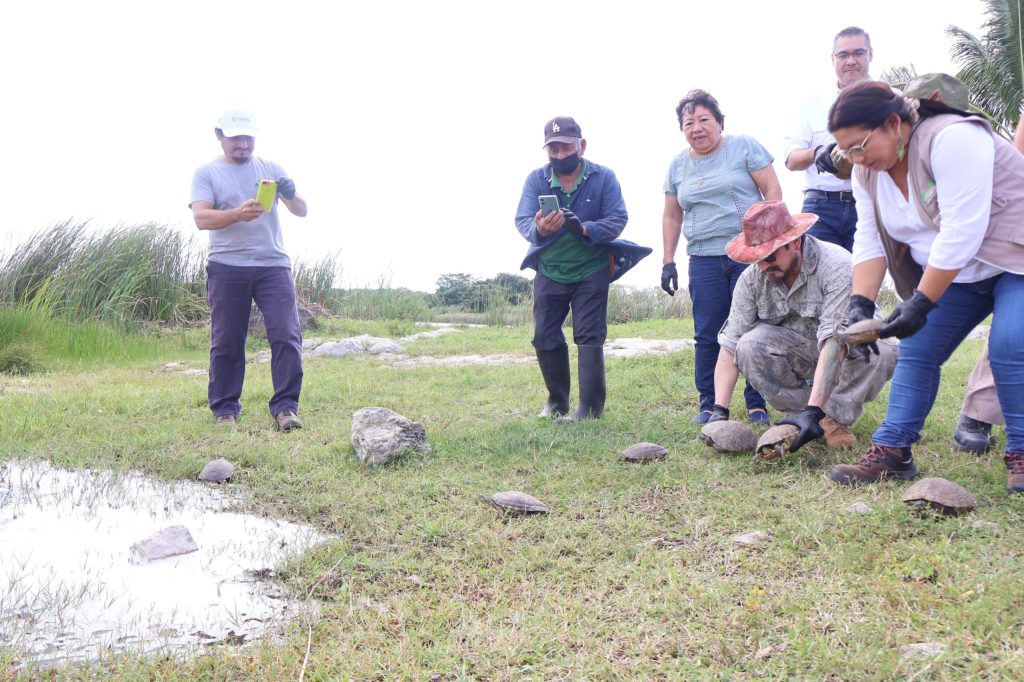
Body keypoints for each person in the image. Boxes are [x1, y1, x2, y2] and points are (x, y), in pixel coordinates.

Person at [826, 81, 1024, 493]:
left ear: (892, 123)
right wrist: (861, 302)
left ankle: (1021, 452)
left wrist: (921, 301)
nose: (857, 159)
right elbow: (870, 238)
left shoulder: (953, 138)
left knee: (1010, 346)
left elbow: (962, 230)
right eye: (847, 152)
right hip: (960, 273)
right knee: (917, 349)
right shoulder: (867, 172)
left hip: (1015, 259)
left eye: (860, 146)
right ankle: (893, 451)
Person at [709, 201, 897, 450]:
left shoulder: (837, 266)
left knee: (883, 350)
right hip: (803, 350)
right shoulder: (752, 279)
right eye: (758, 259)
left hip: (847, 348)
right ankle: (801, 416)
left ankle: (832, 418)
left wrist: (814, 409)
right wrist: (719, 411)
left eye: (770, 257)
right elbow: (730, 346)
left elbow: (835, 343)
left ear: (795, 243)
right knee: (748, 345)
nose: (763, 267)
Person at [514, 116, 650, 421]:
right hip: (550, 268)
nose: (560, 154)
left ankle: (589, 408)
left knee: (589, 335)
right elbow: (522, 219)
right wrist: (539, 230)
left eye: (566, 147)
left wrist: (585, 229)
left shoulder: (604, 177)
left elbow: (617, 219)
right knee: (544, 335)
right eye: (553, 149)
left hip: (592, 267)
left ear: (582, 146)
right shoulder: (536, 179)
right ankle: (557, 401)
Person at [661, 89, 782, 425]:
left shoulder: (743, 147)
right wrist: (668, 260)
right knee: (707, 333)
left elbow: (772, 190)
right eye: (689, 123)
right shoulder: (677, 165)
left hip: (748, 254)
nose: (697, 128)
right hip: (703, 258)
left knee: (755, 327)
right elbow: (672, 216)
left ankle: (757, 402)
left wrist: (767, 239)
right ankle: (709, 403)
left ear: (719, 122)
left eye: (704, 119)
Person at [189, 110, 309, 431]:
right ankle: (225, 410)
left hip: (273, 265)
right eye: (236, 138)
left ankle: (286, 408)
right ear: (219, 135)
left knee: (286, 334)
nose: (243, 144)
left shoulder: (271, 168)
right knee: (227, 339)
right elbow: (201, 218)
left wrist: (291, 193)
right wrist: (237, 214)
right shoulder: (206, 173)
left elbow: (301, 210)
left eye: (248, 138)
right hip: (227, 265)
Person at [783, 26, 875, 251]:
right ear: (832, 59)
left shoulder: (893, 99)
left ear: (870, 54)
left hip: (874, 203)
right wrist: (817, 153)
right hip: (820, 208)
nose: (851, 61)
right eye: (843, 55)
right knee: (815, 272)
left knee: (869, 271)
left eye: (858, 53)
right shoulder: (812, 104)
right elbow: (790, 159)